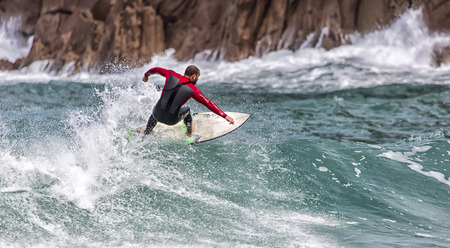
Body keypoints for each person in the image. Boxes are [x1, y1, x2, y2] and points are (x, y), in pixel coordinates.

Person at [140, 65, 234, 136]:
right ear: (193, 76)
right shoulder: (193, 90)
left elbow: (155, 70)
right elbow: (208, 103)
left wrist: (146, 75)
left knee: (157, 110)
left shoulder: (171, 74)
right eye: (197, 77)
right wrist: (225, 116)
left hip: (156, 114)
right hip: (171, 120)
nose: (197, 79)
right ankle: (189, 133)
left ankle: (147, 132)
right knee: (187, 110)